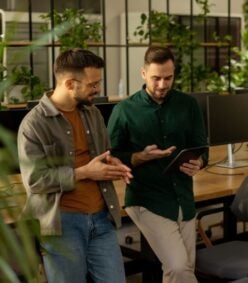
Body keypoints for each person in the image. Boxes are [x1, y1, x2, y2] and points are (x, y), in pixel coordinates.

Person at [17, 49, 133, 282]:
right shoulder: (34, 124)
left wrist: (112, 164)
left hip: (101, 216)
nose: (98, 89)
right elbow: (35, 180)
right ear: (70, 83)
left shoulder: (93, 113)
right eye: (92, 84)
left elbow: (101, 155)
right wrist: (85, 172)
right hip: (62, 224)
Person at [108, 46, 208, 282]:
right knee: (179, 267)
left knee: (184, 269)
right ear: (143, 73)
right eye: (156, 78)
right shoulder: (124, 110)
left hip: (183, 198)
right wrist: (139, 157)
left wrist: (200, 162)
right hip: (147, 200)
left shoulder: (188, 105)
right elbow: (110, 156)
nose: (162, 84)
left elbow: (202, 147)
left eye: (168, 78)